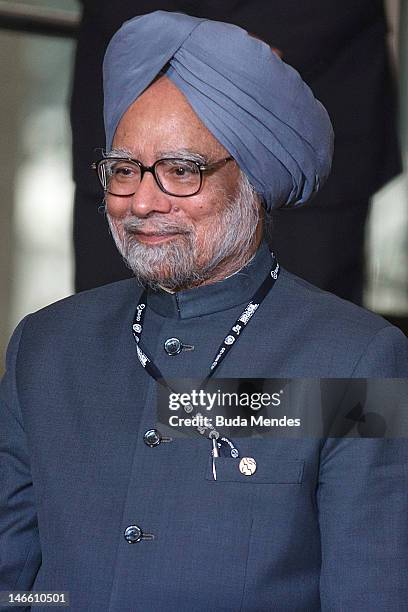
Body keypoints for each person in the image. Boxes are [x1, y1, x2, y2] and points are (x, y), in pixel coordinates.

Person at [1, 11, 407, 611]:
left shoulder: (356, 360)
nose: (142, 199)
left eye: (180, 171)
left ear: (253, 181)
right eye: (122, 169)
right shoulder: (47, 346)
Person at [71, 0, 400, 304]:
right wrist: (198, 41)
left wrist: (242, 53)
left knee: (308, 341)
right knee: (109, 337)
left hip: (309, 94)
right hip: (133, 76)